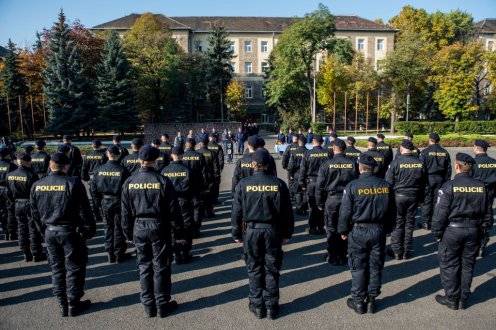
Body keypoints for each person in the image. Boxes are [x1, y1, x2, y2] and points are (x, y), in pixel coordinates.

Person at [30, 152, 96, 317]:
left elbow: (34, 214)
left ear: (50, 165)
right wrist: (88, 231)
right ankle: (73, 303)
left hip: (50, 232)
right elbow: (84, 210)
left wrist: (42, 232)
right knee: (74, 268)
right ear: (66, 166)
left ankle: (62, 303)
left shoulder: (37, 184)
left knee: (57, 268)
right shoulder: (73, 183)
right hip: (70, 232)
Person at [231, 149, 294, 320]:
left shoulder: (243, 184)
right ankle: (271, 306)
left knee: (254, 268)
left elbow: (236, 212)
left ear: (253, 164)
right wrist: (287, 233)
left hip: (251, 231)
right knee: (272, 269)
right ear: (267, 165)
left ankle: (257, 305)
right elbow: (287, 212)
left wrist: (236, 233)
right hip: (272, 231)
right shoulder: (279, 184)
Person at [121, 146, 183, 318]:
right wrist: (178, 234)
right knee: (161, 266)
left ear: (140, 161)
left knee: (144, 266)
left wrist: (127, 234)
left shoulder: (129, 182)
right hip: (159, 227)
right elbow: (173, 212)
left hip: (139, 227)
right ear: (156, 161)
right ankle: (162, 303)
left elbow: (125, 212)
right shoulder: (163, 181)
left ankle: (148, 304)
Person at [432, 153, 493, 310]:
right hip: (474, 230)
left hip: (452, 231)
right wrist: (484, 232)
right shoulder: (482, 187)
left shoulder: (448, 186)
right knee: (468, 264)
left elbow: (440, 214)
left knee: (449, 263)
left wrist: (437, 233)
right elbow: (488, 214)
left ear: (457, 166)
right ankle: (463, 297)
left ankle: (452, 297)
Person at [338, 154, 395, 314]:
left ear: (360, 167)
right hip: (378, 230)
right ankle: (371, 299)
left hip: (359, 231)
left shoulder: (352, 186)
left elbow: (345, 212)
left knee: (358, 267)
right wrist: (389, 229)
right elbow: (392, 211)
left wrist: (343, 230)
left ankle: (358, 301)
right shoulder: (386, 185)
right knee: (375, 266)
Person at [316, 139, 358, 265]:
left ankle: (333, 255)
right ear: (344, 149)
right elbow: (356, 182)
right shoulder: (352, 163)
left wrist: (319, 202)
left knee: (331, 228)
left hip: (332, 199)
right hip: (348, 199)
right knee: (346, 226)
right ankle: (343, 254)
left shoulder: (326, 164)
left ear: (334, 149)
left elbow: (320, 185)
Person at [385, 139, 426, 260]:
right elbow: (424, 183)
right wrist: (421, 199)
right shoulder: (419, 163)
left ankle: (397, 251)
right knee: (409, 223)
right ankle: (406, 250)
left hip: (399, 196)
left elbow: (389, 183)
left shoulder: (395, 163)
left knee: (398, 223)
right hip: (413, 196)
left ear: (401, 148)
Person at [90, 146, 131, 263]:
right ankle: (119, 253)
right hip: (119, 201)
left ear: (108, 154)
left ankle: (109, 252)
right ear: (118, 155)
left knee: (108, 227)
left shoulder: (98, 169)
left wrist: (98, 202)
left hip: (105, 201)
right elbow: (128, 189)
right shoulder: (123, 170)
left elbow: (93, 188)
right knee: (118, 227)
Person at [161, 147, 198, 264]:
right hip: (185, 201)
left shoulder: (164, 171)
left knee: (173, 227)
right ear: (182, 155)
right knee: (186, 227)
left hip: (169, 203)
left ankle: (176, 254)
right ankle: (185, 253)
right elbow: (195, 188)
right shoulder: (188, 170)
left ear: (172, 155)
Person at [6, 153, 45, 261]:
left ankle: (25, 252)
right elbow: (36, 193)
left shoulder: (10, 174)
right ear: (28, 162)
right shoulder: (31, 175)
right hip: (30, 204)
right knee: (33, 229)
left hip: (17, 204)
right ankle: (36, 253)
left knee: (22, 229)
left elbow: (9, 192)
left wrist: (13, 202)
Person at [298, 134, 332, 235]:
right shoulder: (328, 153)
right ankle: (321, 227)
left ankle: (313, 227)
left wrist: (302, 183)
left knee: (312, 206)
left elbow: (302, 170)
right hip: (324, 183)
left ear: (313, 142)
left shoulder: (308, 153)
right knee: (322, 205)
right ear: (322, 142)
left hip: (312, 183)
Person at [419, 133, 452, 230]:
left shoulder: (425, 152)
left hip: (428, 178)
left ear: (430, 140)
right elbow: (448, 169)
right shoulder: (445, 152)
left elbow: (422, 168)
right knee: (437, 201)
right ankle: (435, 222)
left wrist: (422, 182)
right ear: (438, 141)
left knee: (427, 201)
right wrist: (446, 182)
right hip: (440, 179)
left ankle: (426, 223)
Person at [471, 139, 496, 257]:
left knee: (474, 219)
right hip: (489, 194)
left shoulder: (473, 163)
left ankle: (475, 244)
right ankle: (482, 244)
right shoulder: (493, 162)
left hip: (475, 195)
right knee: (486, 221)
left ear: (476, 148)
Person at [183, 138, 208, 236]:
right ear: (194, 145)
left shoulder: (183, 156)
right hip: (197, 185)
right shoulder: (199, 156)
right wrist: (205, 186)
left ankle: (188, 228)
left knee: (186, 208)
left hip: (184, 186)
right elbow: (204, 173)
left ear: (186, 145)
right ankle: (196, 229)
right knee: (197, 208)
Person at [82, 140, 107, 223]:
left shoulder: (88, 154)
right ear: (100, 146)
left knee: (94, 197)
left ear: (92, 145)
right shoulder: (103, 154)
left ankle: (97, 215)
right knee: (102, 196)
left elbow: (84, 167)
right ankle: (103, 214)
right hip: (101, 177)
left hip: (91, 177)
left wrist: (85, 178)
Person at [197, 136, 220, 218]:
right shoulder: (212, 153)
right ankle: (209, 211)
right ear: (207, 143)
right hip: (210, 177)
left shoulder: (197, 153)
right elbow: (216, 167)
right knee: (209, 195)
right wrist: (217, 177)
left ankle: (202, 212)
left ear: (200, 143)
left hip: (200, 177)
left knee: (201, 195)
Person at [0, 147, 18, 240]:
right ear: (7, 155)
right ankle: (11, 232)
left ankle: (5, 230)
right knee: (10, 211)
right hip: (7, 190)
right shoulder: (11, 166)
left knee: (2, 211)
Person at [288, 136, 308, 215]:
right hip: (306, 175)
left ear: (299, 142)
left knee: (298, 192)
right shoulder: (308, 152)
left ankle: (299, 209)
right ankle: (305, 208)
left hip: (297, 174)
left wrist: (290, 174)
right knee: (305, 192)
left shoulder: (294, 152)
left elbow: (291, 166)